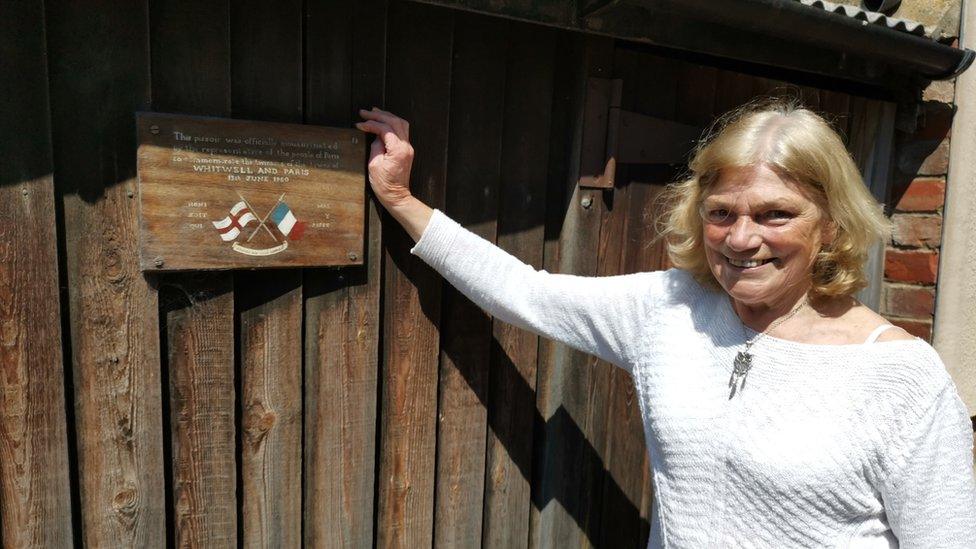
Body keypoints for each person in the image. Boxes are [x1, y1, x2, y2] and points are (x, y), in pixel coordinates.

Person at [355, 101, 976, 548]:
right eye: (722, 212)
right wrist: (403, 200)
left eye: (776, 214)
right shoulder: (671, 309)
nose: (741, 238)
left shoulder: (900, 378)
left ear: (832, 225)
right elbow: (526, 293)